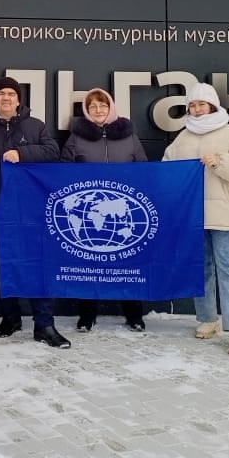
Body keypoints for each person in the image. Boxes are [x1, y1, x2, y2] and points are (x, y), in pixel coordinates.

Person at [163, 83, 229, 356]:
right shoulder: (182, 138)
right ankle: (208, 318)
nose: (196, 109)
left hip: (225, 216)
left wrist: (219, 162)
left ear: (213, 105)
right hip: (193, 217)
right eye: (192, 105)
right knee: (200, 269)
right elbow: (168, 171)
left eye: (201, 104)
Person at [0, 77, 68, 348]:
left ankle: (44, 324)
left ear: (18, 100)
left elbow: (52, 152)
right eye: (1, 94)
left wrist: (21, 153)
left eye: (11, 94)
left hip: (30, 210)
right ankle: (10, 318)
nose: (6, 98)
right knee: (3, 264)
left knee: (35, 264)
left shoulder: (35, 125)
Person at [61, 87, 149, 332]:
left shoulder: (129, 136)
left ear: (111, 108)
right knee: (88, 262)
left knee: (127, 262)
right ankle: (87, 316)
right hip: (91, 211)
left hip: (123, 209)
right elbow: (63, 169)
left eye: (102, 105)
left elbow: (143, 168)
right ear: (86, 111)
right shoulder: (76, 138)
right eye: (93, 107)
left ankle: (134, 315)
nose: (98, 110)